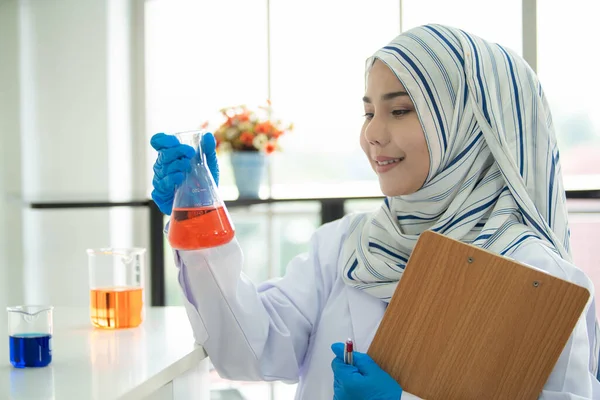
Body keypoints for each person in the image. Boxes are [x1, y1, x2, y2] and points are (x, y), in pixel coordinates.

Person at [150, 24, 600, 399]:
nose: (373, 135)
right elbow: (249, 350)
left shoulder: (538, 275)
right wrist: (200, 221)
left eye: (400, 110)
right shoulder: (347, 245)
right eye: (368, 112)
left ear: (467, 125)